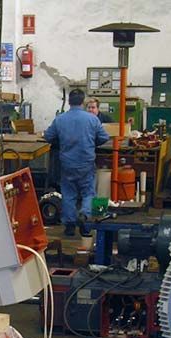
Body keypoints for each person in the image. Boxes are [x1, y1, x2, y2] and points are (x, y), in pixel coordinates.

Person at [44, 89, 110, 236]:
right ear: (82, 102)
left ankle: (69, 226)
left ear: (69, 102)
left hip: (67, 163)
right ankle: (85, 217)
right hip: (86, 162)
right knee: (88, 192)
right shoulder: (92, 119)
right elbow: (104, 137)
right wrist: (92, 142)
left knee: (68, 193)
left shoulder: (60, 119)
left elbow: (48, 136)